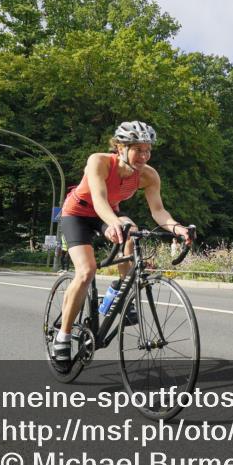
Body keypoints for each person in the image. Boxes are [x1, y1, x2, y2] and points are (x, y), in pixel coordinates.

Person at [52, 121, 193, 370]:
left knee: (132, 232)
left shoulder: (148, 175)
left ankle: (120, 290)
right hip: (77, 214)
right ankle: (62, 338)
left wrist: (177, 228)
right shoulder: (99, 161)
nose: (144, 156)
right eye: (138, 149)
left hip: (108, 214)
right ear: (120, 148)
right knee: (86, 272)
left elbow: (159, 212)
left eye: (148, 150)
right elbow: (99, 198)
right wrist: (114, 222)